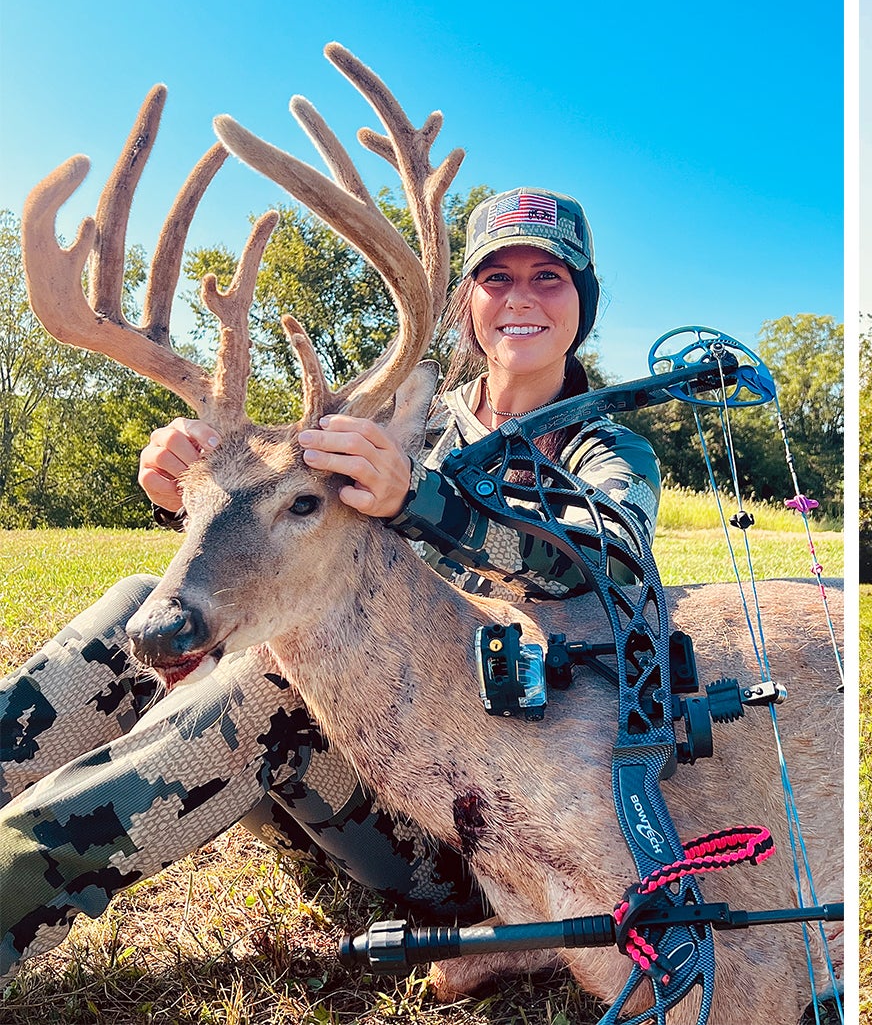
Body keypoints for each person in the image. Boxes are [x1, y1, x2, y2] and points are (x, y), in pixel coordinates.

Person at [0, 188, 662, 975]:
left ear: (583, 302)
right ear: (470, 303)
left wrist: (425, 500)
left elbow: (614, 559)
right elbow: (285, 487)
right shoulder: (412, 416)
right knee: (134, 605)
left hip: (482, 819)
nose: (520, 297)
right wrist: (197, 471)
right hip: (350, 757)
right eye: (497, 277)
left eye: (548, 276)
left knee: (266, 685)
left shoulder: (603, 449)